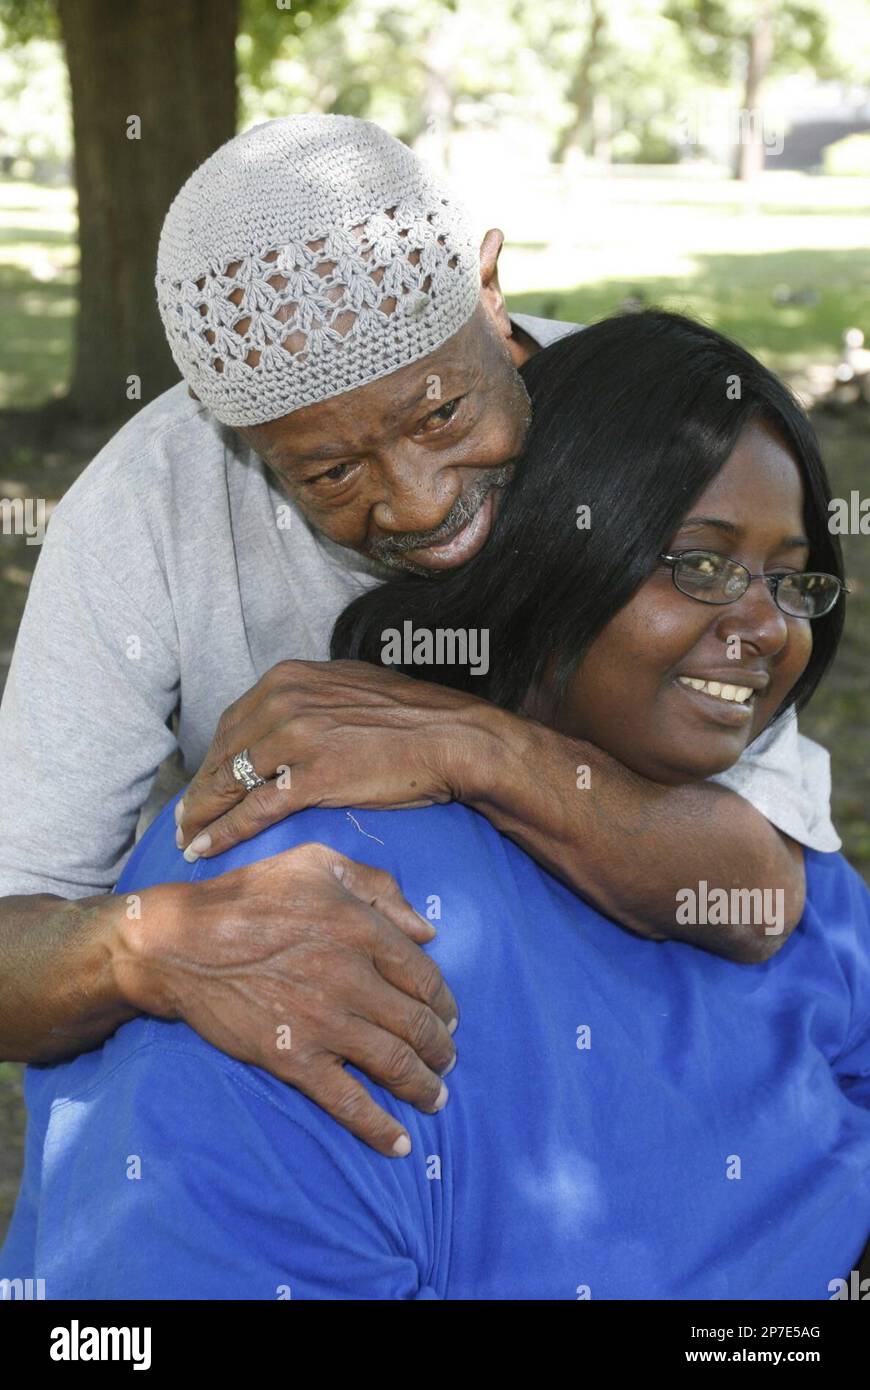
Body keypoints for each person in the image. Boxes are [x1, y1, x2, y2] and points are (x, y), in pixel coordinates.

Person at [0, 117, 838, 1160]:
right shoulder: (139, 515)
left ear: (487, 288)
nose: (420, 504)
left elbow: (759, 894)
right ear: (234, 435)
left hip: (630, 1082)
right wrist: (149, 947)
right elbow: (11, 945)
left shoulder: (642, 434)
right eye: (331, 475)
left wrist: (466, 747)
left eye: (440, 415)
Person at [2, 311, 867, 1300]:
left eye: (790, 578)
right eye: (702, 564)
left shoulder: (752, 836)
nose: (762, 624)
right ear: (551, 550)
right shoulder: (304, 941)